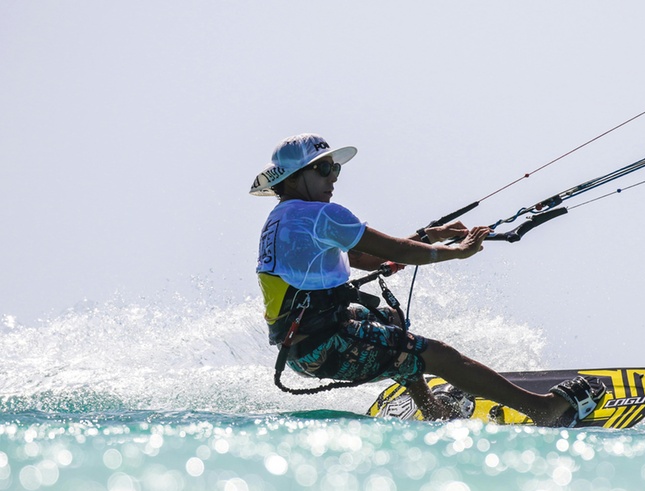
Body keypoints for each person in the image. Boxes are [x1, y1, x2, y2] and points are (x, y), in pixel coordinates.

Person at [250, 133, 603, 425]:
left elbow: (363, 258)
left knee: (388, 320)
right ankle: (543, 410)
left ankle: (431, 408)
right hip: (327, 348)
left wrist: (430, 236)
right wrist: (457, 251)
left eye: (335, 168)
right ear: (292, 178)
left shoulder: (279, 219)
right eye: (324, 169)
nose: (334, 178)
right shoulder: (322, 214)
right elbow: (397, 252)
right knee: (439, 355)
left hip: (300, 350)